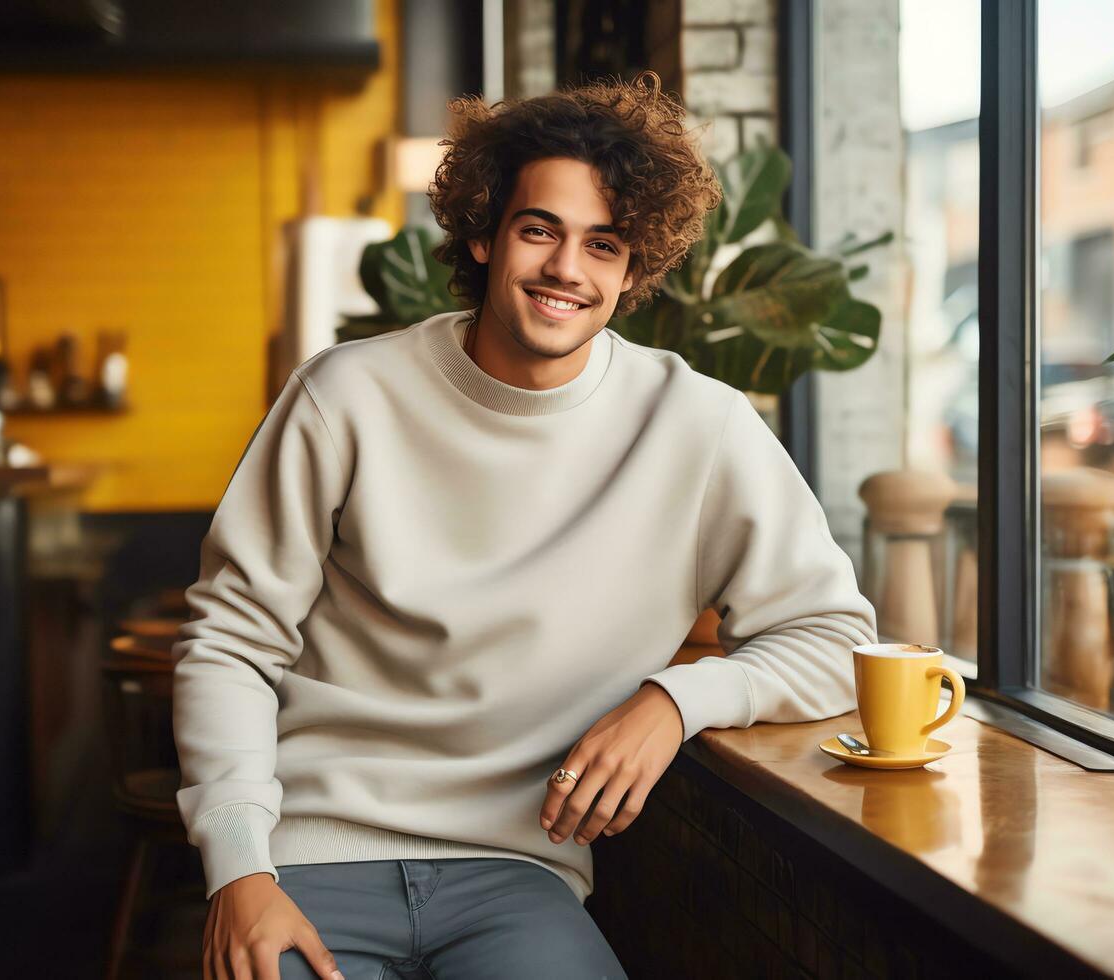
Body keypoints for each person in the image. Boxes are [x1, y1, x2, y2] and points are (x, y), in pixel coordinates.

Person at [173, 70, 877, 980]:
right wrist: (240, 873)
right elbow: (229, 641)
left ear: (633, 271)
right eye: (539, 230)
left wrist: (675, 701)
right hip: (304, 856)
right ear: (481, 232)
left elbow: (833, 634)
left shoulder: (697, 424)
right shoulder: (344, 394)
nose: (564, 270)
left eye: (603, 244)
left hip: (515, 875)